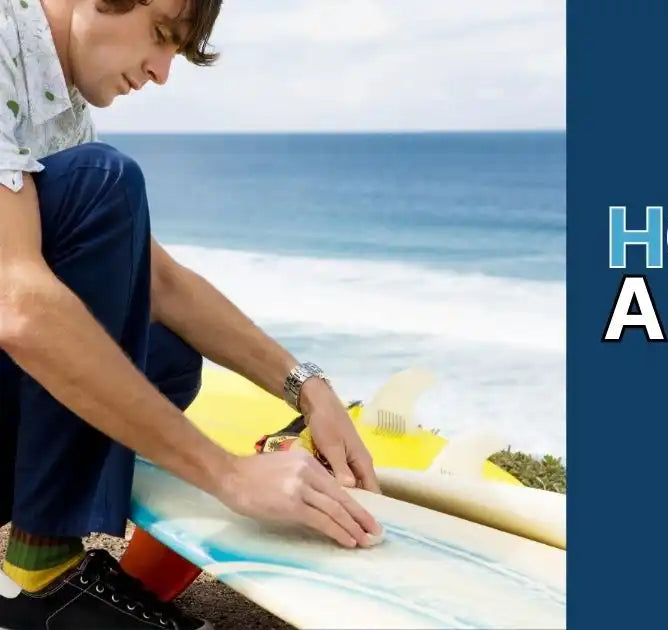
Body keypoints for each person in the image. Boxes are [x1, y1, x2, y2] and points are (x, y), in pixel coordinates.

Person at [0, 1, 385, 628]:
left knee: (167, 361)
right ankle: (40, 583)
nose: (160, 73)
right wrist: (228, 475)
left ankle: (40, 570)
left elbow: (162, 284)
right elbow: (16, 305)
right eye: (159, 36)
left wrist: (308, 388)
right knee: (103, 183)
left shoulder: (60, 109)